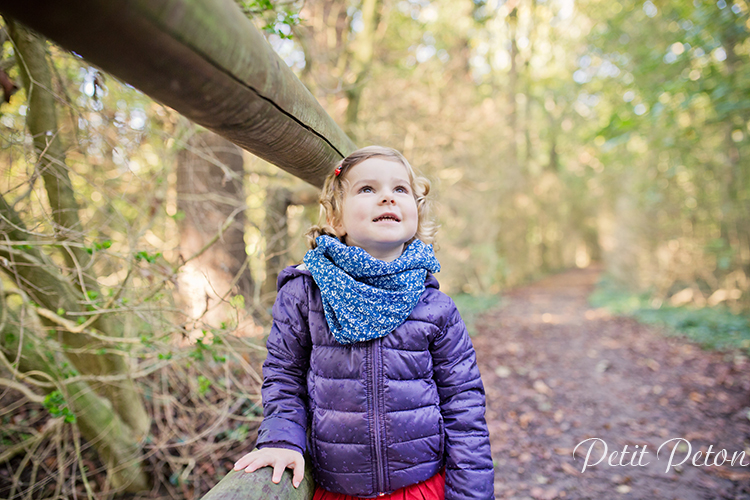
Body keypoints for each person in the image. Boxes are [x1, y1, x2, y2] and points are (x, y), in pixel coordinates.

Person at [234, 146, 494, 499]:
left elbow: (464, 406)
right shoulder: (305, 293)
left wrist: (470, 495)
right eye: (367, 189)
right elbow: (284, 376)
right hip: (335, 487)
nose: (387, 197)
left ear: (416, 213)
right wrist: (281, 438)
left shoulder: (435, 307)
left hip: (420, 487)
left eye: (400, 190)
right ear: (337, 219)